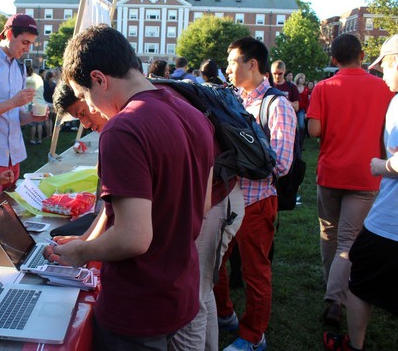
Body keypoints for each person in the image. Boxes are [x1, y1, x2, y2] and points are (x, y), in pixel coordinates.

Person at [48, 25, 215, 350]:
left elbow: (133, 237)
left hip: (137, 305)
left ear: (99, 79)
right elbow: (203, 203)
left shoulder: (123, 129)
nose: (90, 109)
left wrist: (80, 252)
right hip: (178, 288)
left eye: (84, 96)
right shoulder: (194, 114)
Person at [306, 33, 393, 329]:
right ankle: (336, 296)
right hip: (366, 173)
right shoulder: (383, 87)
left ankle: (332, 292)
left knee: (330, 235)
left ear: (333, 59)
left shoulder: (323, 87)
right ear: (362, 54)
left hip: (330, 172)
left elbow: (314, 130)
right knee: (348, 239)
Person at [215, 36, 296, 351]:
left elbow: (282, 164)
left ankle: (253, 336)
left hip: (256, 202)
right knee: (214, 262)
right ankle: (225, 315)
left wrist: (237, 160)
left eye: (233, 61)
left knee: (254, 272)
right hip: (225, 199)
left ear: (252, 64)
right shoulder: (233, 99)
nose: (228, 68)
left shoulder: (277, 105)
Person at [0, 13, 45, 203]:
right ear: (10, 34)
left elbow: (14, 116)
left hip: (14, 157)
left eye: (30, 44)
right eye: (25, 42)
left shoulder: (19, 67)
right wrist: (13, 102)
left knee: (9, 217)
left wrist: (30, 118)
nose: (27, 49)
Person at [25, 65, 45, 145]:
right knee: (39, 123)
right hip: (41, 102)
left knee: (33, 124)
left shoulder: (28, 79)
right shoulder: (39, 78)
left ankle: (32, 140)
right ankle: (39, 139)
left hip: (33, 102)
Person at [294, 72, 309, 150]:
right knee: (293, 127)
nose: (303, 80)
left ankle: (300, 144)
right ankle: (293, 144)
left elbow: (307, 101)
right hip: (293, 109)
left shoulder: (306, 88)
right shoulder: (294, 87)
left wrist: (306, 112)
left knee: (302, 126)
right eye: (302, 78)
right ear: (298, 78)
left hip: (301, 110)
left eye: (304, 78)